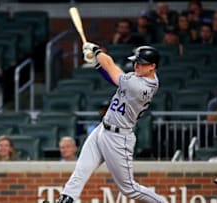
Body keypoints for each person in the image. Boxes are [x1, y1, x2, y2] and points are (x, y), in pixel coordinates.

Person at [52, 43, 166, 203]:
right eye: (136, 62)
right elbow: (112, 76)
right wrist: (97, 63)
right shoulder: (139, 76)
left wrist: (97, 51)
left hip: (119, 138)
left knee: (129, 189)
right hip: (103, 129)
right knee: (82, 169)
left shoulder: (142, 87)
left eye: (141, 63)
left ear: (152, 66)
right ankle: (66, 198)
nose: (136, 65)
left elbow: (112, 68)